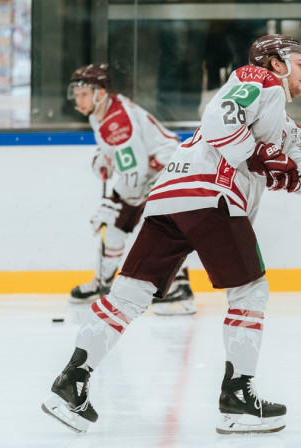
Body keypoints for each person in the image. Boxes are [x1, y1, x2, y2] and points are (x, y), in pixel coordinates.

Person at [42, 35, 301, 435]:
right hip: (210, 197)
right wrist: (254, 155)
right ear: (276, 62)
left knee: (128, 294)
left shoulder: (283, 127)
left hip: (168, 197)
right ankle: (237, 399)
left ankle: (69, 383)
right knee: (250, 293)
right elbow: (218, 116)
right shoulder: (259, 79)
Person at [67, 63, 196, 316]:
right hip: (150, 169)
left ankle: (181, 289)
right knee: (119, 227)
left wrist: (113, 201)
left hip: (164, 170)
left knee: (159, 229)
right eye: (77, 93)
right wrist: (103, 158)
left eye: (83, 93)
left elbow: (134, 174)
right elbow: (123, 156)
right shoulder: (102, 112)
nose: (78, 99)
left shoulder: (117, 123)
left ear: (100, 93)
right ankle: (103, 283)